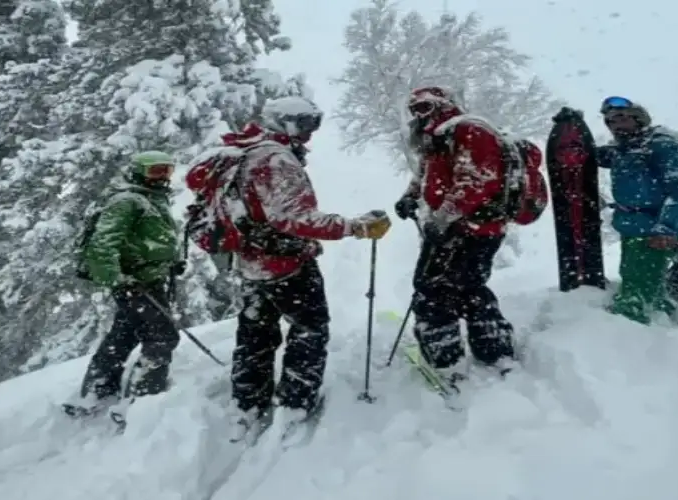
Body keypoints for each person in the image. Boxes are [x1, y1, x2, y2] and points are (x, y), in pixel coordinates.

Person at [198, 96, 391, 439]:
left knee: (255, 335)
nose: (309, 135)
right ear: (285, 123)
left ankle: (248, 402)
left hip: (250, 263)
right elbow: (295, 218)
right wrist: (354, 226)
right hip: (286, 265)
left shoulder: (243, 153)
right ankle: (295, 403)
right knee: (309, 329)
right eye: (304, 124)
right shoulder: (275, 158)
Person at [394, 86, 531, 380]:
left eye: (425, 106)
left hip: (465, 228)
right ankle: (493, 347)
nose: (419, 114)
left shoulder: (466, 130)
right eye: (415, 109)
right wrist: (410, 195)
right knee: (469, 286)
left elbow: (477, 180)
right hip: (475, 227)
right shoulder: (440, 135)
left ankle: (445, 358)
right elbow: (427, 174)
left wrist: (443, 218)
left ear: (443, 104)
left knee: (433, 288)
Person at [67, 151, 184, 415]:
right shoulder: (127, 200)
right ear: (138, 171)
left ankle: (97, 391)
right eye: (155, 171)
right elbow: (102, 244)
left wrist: (171, 261)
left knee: (124, 334)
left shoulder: (151, 200)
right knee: (163, 337)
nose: (162, 177)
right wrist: (118, 279)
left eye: (167, 170)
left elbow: (152, 240)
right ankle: (141, 401)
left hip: (148, 280)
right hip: (135, 283)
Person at [596, 96, 678, 324]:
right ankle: (660, 323)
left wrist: (668, 227)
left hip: (654, 232)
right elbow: (600, 155)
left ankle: (629, 339)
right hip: (634, 228)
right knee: (641, 282)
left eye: (622, 118)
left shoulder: (660, 145)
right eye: (610, 121)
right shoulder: (624, 149)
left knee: (636, 295)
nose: (616, 124)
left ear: (639, 118)